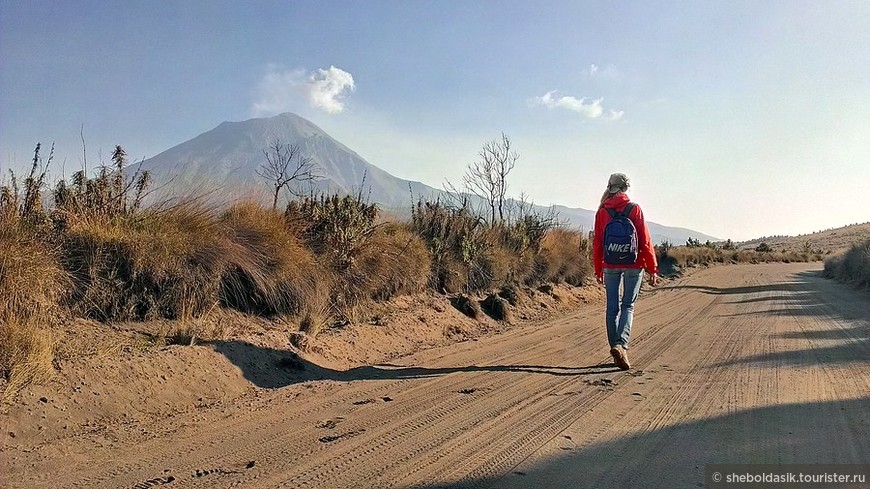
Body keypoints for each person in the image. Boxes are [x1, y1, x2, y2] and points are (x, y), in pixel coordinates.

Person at [593, 173, 659, 370]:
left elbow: (597, 242)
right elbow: (645, 240)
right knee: (627, 306)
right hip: (634, 263)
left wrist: (598, 269)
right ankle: (621, 345)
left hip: (609, 263)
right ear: (625, 188)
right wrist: (652, 268)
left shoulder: (602, 210)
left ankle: (615, 347)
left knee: (611, 308)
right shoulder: (634, 209)